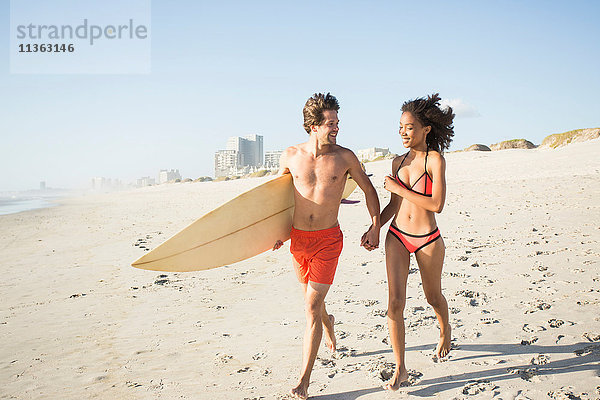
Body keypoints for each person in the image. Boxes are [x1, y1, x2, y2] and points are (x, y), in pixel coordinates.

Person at [273, 92, 381, 399]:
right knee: (315, 302)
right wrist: (276, 233)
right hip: (299, 241)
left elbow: (369, 189)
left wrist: (374, 225)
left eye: (337, 121)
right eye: (330, 123)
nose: (336, 127)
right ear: (314, 125)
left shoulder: (344, 157)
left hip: (328, 241)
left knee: (309, 307)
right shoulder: (291, 156)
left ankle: (304, 380)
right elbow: (275, 201)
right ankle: (329, 322)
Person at [380, 93, 455, 390]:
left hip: (427, 239)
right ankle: (401, 368)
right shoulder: (397, 161)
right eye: (400, 126)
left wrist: (398, 188)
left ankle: (445, 328)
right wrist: (375, 227)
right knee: (395, 303)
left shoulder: (434, 160)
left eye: (409, 127)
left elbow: (437, 204)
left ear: (426, 130)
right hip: (397, 235)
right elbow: (393, 205)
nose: (403, 131)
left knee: (432, 297)